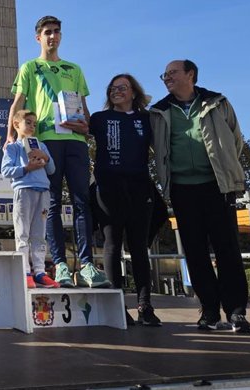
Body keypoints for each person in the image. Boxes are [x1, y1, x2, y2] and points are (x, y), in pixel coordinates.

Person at [150, 59, 250, 333]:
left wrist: (225, 169)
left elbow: (235, 140)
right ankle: (208, 310)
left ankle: (236, 311)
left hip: (217, 186)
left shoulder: (218, 103)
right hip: (182, 189)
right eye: (164, 75)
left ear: (190, 74)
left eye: (172, 73)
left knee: (227, 249)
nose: (166, 78)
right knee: (194, 251)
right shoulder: (159, 111)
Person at [7, 15, 108, 288]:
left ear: (61, 36)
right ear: (38, 37)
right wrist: (9, 136)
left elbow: (85, 112)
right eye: (47, 32)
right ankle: (60, 264)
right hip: (45, 142)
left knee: (81, 201)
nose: (52, 36)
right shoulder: (30, 67)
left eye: (57, 32)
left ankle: (86, 264)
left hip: (74, 141)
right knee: (50, 203)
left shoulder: (73, 69)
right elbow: (18, 104)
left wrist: (85, 125)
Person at [89, 74, 161, 326]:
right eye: (112, 88)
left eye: (122, 88)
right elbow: (76, 125)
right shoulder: (99, 118)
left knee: (139, 247)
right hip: (108, 187)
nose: (116, 91)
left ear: (134, 92)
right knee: (111, 244)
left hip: (140, 187)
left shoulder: (147, 119)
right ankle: (117, 304)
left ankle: (145, 305)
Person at [2, 110, 59, 289]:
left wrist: (45, 157)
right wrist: (26, 168)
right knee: (23, 233)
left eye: (35, 124)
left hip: (43, 191)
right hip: (24, 192)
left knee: (39, 234)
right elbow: (6, 171)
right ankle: (25, 271)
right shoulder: (12, 148)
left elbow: (52, 170)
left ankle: (40, 271)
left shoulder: (41, 146)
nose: (32, 126)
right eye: (28, 122)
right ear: (16, 125)